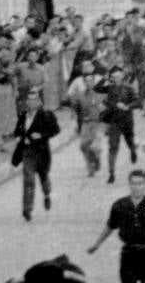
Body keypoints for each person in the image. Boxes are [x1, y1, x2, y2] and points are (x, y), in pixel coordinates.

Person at [13, 87, 60, 222]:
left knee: (43, 177)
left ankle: (47, 194)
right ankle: (27, 208)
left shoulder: (46, 115)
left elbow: (55, 130)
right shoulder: (23, 116)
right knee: (29, 180)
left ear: (39, 101)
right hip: (28, 152)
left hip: (42, 152)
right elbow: (17, 131)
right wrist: (19, 138)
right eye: (29, 100)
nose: (31, 102)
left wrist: (41, 135)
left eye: (34, 100)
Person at [96, 66, 138, 184]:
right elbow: (97, 88)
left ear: (123, 76)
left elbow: (137, 101)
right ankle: (111, 173)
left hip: (127, 120)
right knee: (113, 147)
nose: (116, 79)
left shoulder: (129, 88)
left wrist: (128, 106)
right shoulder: (110, 88)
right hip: (114, 121)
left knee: (129, 141)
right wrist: (104, 78)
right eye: (113, 77)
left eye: (118, 76)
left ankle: (133, 150)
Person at [66, 59, 104, 178]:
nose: (88, 83)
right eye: (86, 81)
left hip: (99, 123)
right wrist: (75, 118)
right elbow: (73, 104)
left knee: (95, 146)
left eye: (90, 81)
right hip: (86, 123)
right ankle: (90, 165)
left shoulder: (102, 91)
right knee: (83, 146)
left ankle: (96, 161)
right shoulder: (80, 93)